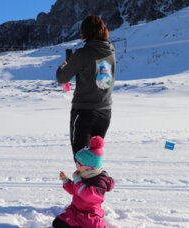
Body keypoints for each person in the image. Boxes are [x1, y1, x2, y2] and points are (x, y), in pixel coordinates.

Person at [56, 15, 116, 159]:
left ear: (85, 32)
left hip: (84, 113)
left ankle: (88, 182)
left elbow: (62, 77)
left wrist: (65, 63)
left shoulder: (83, 53)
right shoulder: (111, 53)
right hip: (105, 113)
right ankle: (97, 182)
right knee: (94, 160)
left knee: (82, 161)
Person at [52, 136, 115, 228]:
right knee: (58, 223)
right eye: (77, 161)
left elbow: (90, 195)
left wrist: (78, 181)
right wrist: (66, 180)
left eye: (80, 163)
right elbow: (75, 191)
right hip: (76, 210)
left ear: (90, 167)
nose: (76, 164)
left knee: (93, 224)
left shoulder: (100, 181)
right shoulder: (82, 174)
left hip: (91, 212)